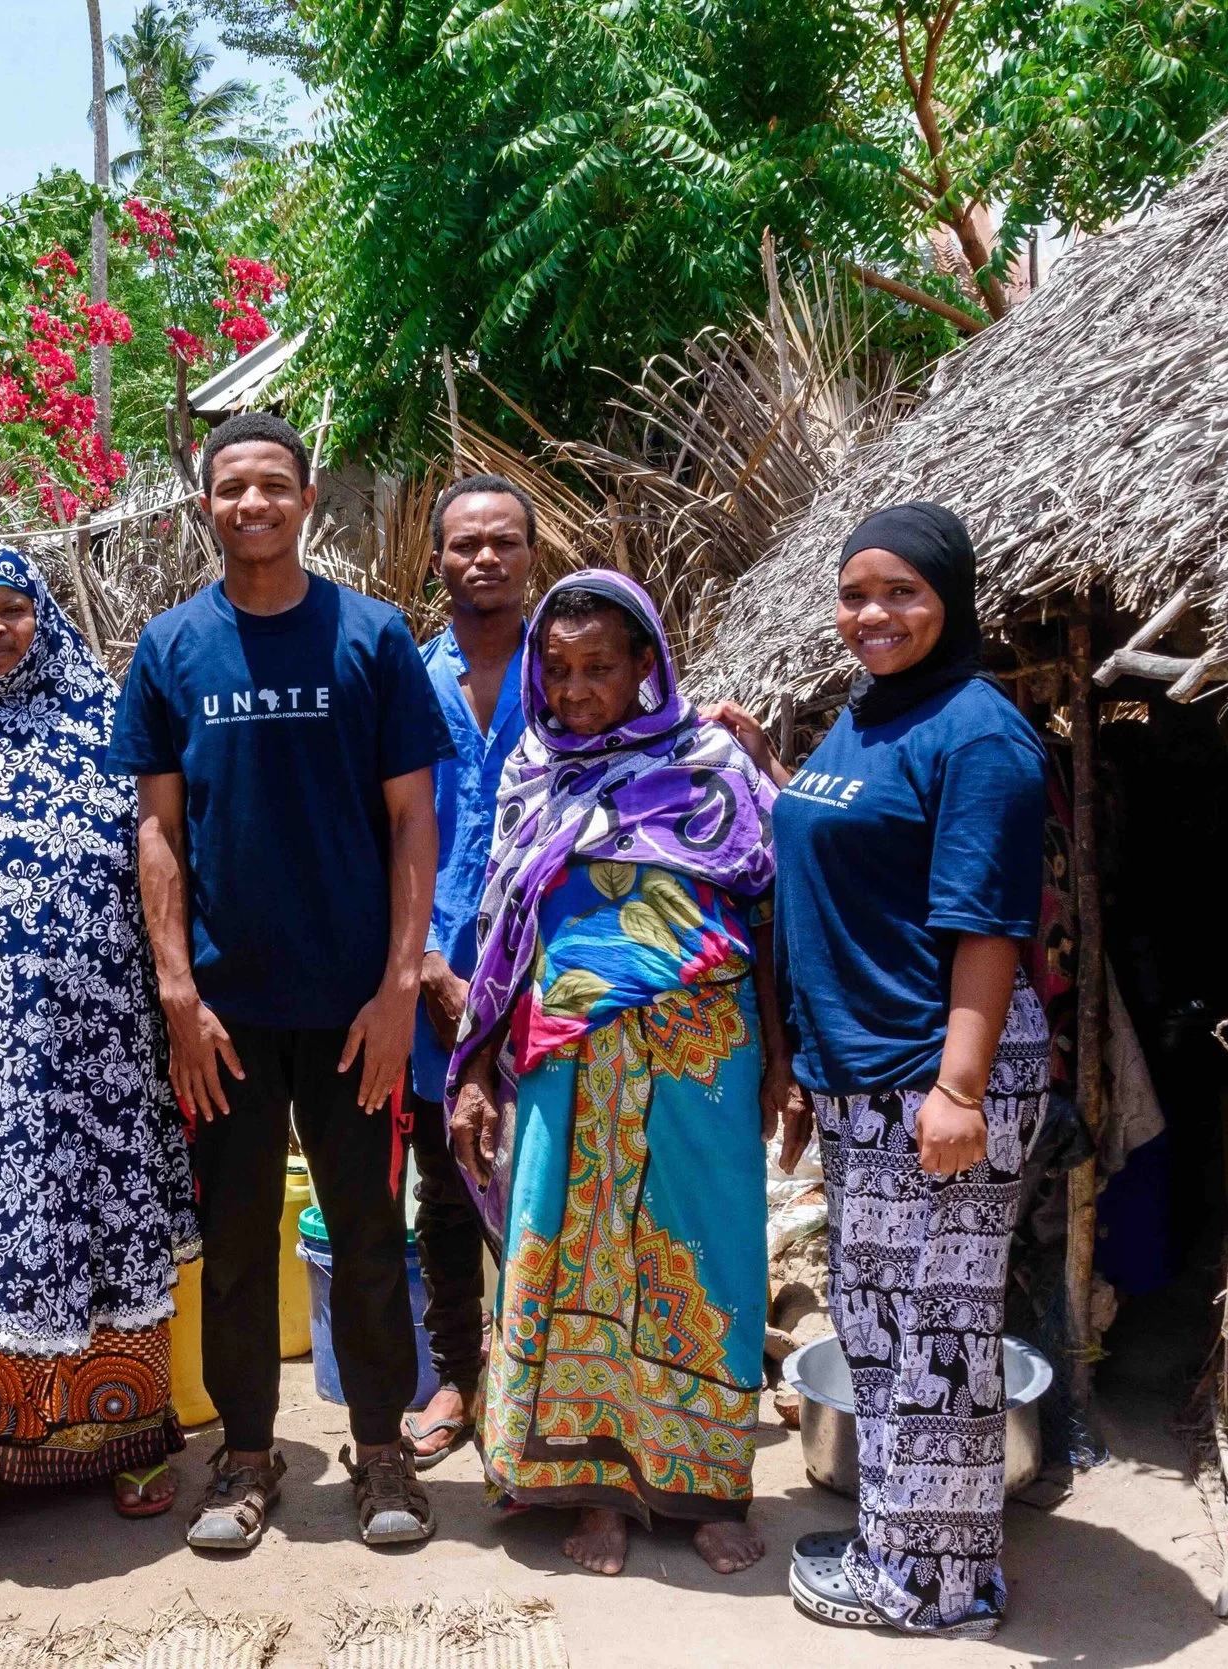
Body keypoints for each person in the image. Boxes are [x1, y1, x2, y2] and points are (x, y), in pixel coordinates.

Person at [109, 410, 449, 1551]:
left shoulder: (373, 637)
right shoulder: (170, 649)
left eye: (270, 486)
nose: (250, 505)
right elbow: (159, 832)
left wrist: (399, 988)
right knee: (239, 1232)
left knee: (363, 1225)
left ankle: (382, 1447)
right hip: (227, 1012)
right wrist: (178, 996)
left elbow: (414, 820)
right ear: (203, 505)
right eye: (229, 488)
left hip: (355, 1010)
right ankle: (245, 1454)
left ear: (307, 500)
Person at [710, 502, 1049, 1640]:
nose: (874, 614)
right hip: (871, 1071)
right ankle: (901, 1545)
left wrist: (955, 1092)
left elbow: (986, 924)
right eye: (856, 594)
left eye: (900, 592)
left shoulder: (980, 734)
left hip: (940, 1068)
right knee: (884, 1324)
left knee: (935, 1334)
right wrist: (768, 769)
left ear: (950, 597)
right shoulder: (873, 716)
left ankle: (935, 1589)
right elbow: (842, 847)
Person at [444, 572, 784, 1580]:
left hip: (703, 1050)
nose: (578, 688)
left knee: (709, 1257)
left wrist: (784, 1056)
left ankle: (706, 1487)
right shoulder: (533, 771)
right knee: (570, 1254)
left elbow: (770, 913)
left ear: (648, 665)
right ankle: (594, 1490)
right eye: (558, 668)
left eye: (601, 667)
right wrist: (475, 1073)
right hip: (569, 1056)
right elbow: (503, 931)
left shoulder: (716, 764)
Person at [0, 544, 200, 1550]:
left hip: (100, 1047)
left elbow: (163, 852)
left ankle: (136, 1437)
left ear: (42, 614)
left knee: (102, 1219)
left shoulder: (106, 723)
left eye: (9, 610)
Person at [403, 474, 536, 1468]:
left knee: (554, 1182)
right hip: (428, 977)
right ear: (437, 559)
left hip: (554, 974)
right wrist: (426, 968)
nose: (483, 557)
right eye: (465, 544)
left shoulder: (579, 666)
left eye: (502, 541)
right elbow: (371, 838)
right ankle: (457, 1373)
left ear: (530, 553)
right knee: (446, 1187)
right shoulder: (403, 678)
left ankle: (545, 1388)